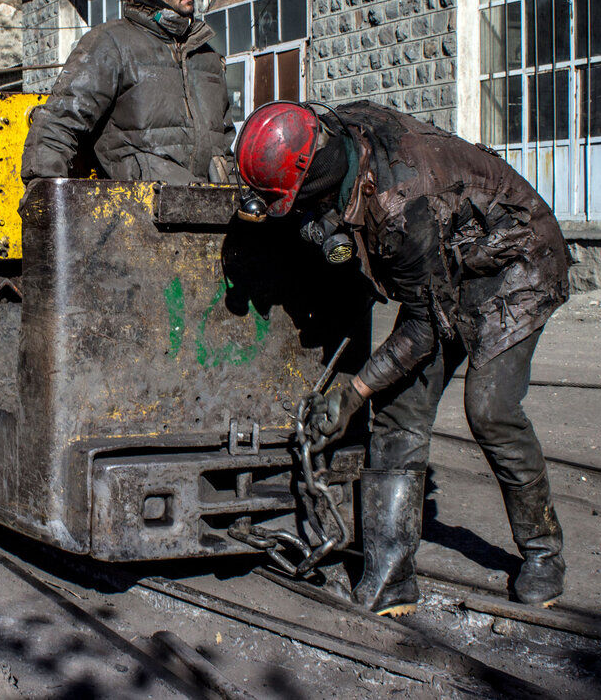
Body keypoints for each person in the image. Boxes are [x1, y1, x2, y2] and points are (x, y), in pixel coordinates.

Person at [234, 100, 571, 616]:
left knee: (491, 410)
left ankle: (544, 553)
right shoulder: (335, 131)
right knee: (398, 414)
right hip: (447, 261)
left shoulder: (401, 206)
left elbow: (423, 328)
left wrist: (352, 392)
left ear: (316, 170)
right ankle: (391, 579)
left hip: (515, 262)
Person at [20, 0, 235, 184]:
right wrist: (46, 202)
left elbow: (224, 145)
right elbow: (59, 124)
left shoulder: (206, 55)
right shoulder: (111, 44)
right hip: (138, 215)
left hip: (210, 215)